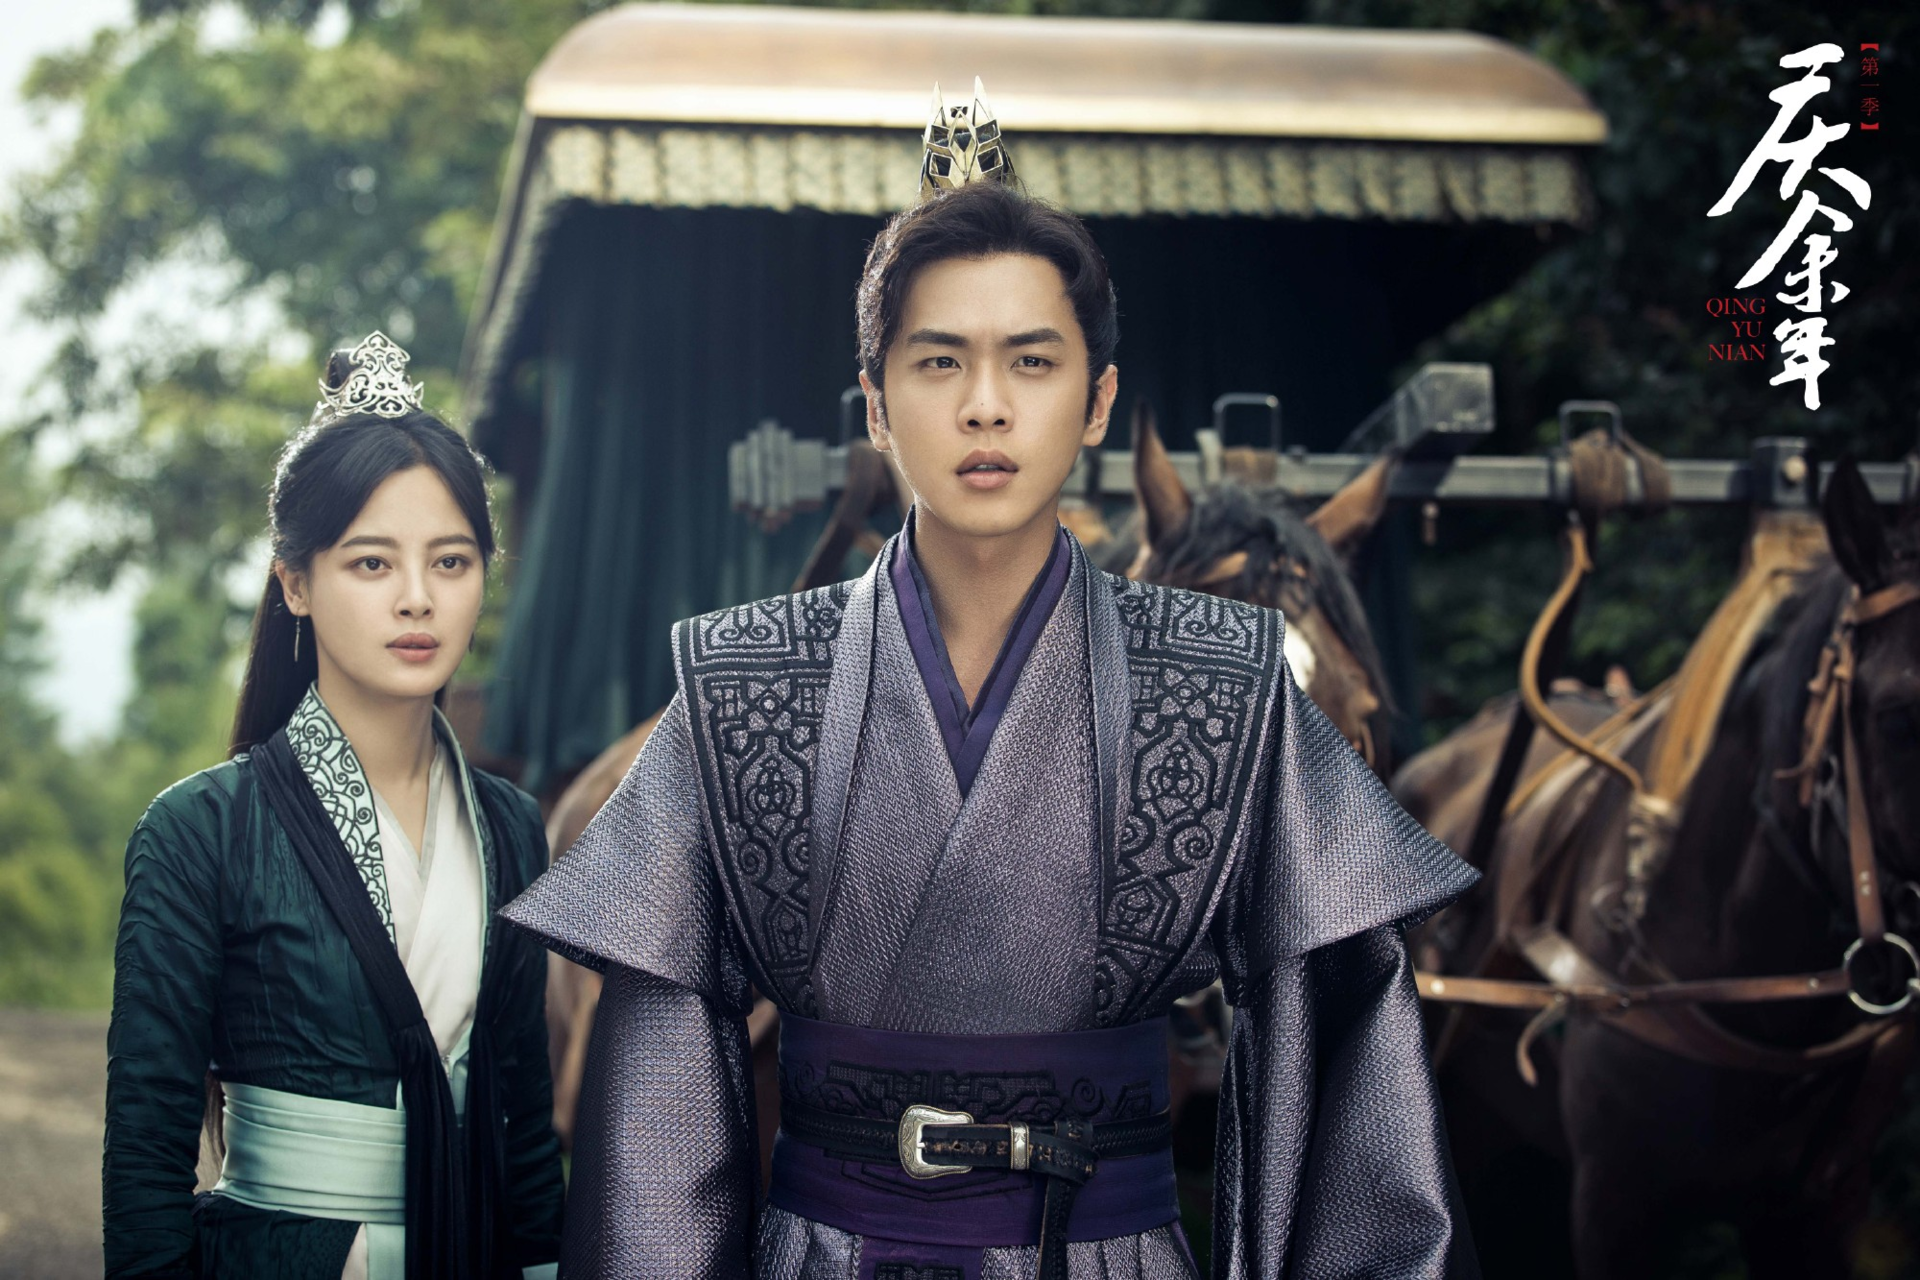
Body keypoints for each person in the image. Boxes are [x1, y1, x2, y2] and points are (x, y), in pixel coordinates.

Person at [506, 84, 1479, 1279]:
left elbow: (1351, 1069)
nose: (985, 405)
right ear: (878, 404)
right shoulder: (738, 684)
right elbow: (655, 1135)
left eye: (1032, 360)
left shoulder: (1227, 683)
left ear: (1097, 401)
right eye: (939, 362)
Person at [104, 333, 565, 1280]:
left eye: (451, 562)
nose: (417, 600)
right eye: (371, 564)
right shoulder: (199, 833)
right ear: (295, 583)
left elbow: (523, 1130)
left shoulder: (512, 828)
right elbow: (146, 1159)